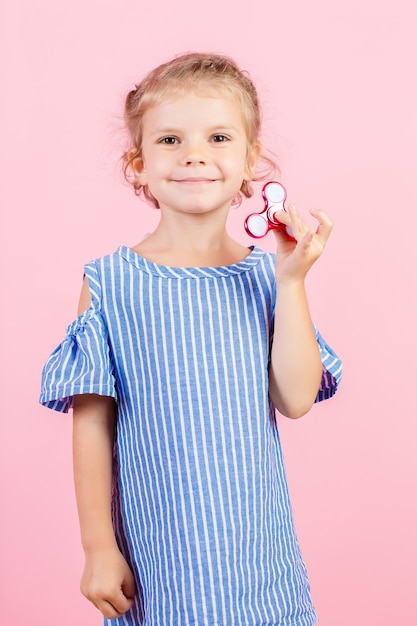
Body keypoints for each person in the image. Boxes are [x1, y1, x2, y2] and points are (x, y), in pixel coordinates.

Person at [40, 52, 342, 626]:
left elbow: (296, 398)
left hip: (258, 556)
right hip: (161, 557)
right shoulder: (111, 282)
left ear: (252, 160)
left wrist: (293, 281)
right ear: (138, 164)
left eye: (219, 136)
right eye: (171, 139)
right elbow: (92, 423)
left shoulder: (267, 276)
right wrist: (98, 546)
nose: (196, 154)